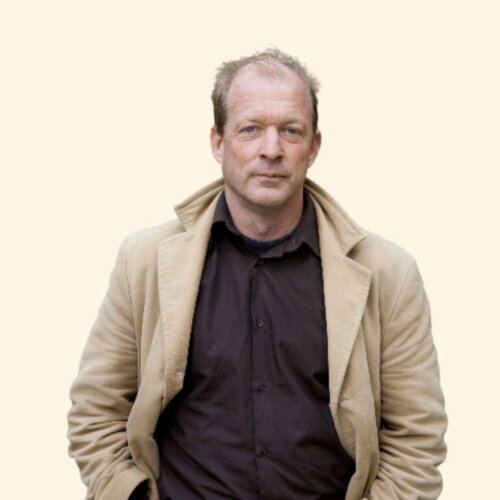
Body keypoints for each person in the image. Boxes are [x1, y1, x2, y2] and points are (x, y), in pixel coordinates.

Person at [68, 48, 447, 500]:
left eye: (291, 131)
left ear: (314, 147)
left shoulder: (388, 275)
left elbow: (416, 439)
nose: (271, 149)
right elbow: (95, 412)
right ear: (218, 142)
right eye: (251, 129)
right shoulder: (145, 261)